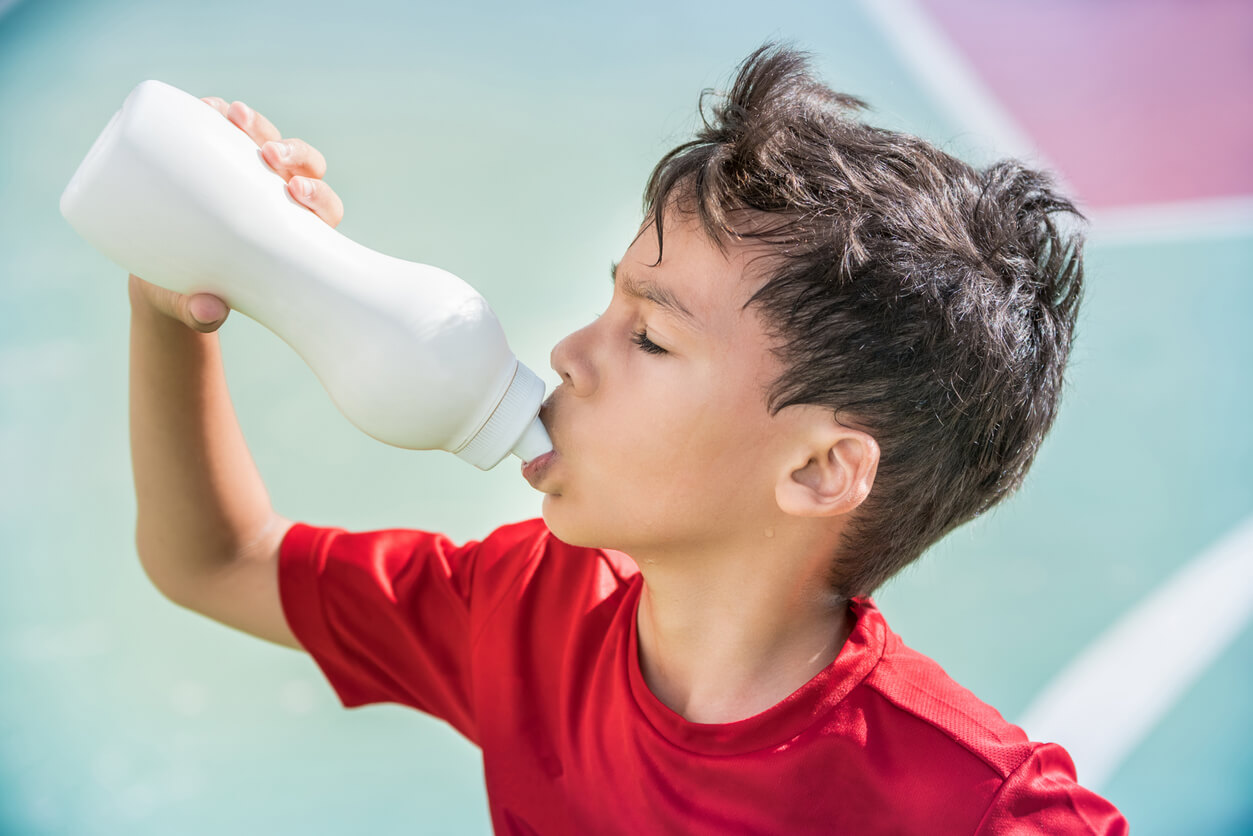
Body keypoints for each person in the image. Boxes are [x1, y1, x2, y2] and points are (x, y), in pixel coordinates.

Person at [130, 44, 1129, 834]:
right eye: (606, 304)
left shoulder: (972, 802)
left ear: (821, 467)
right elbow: (216, 559)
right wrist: (173, 290)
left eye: (647, 334)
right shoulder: (531, 607)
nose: (567, 351)